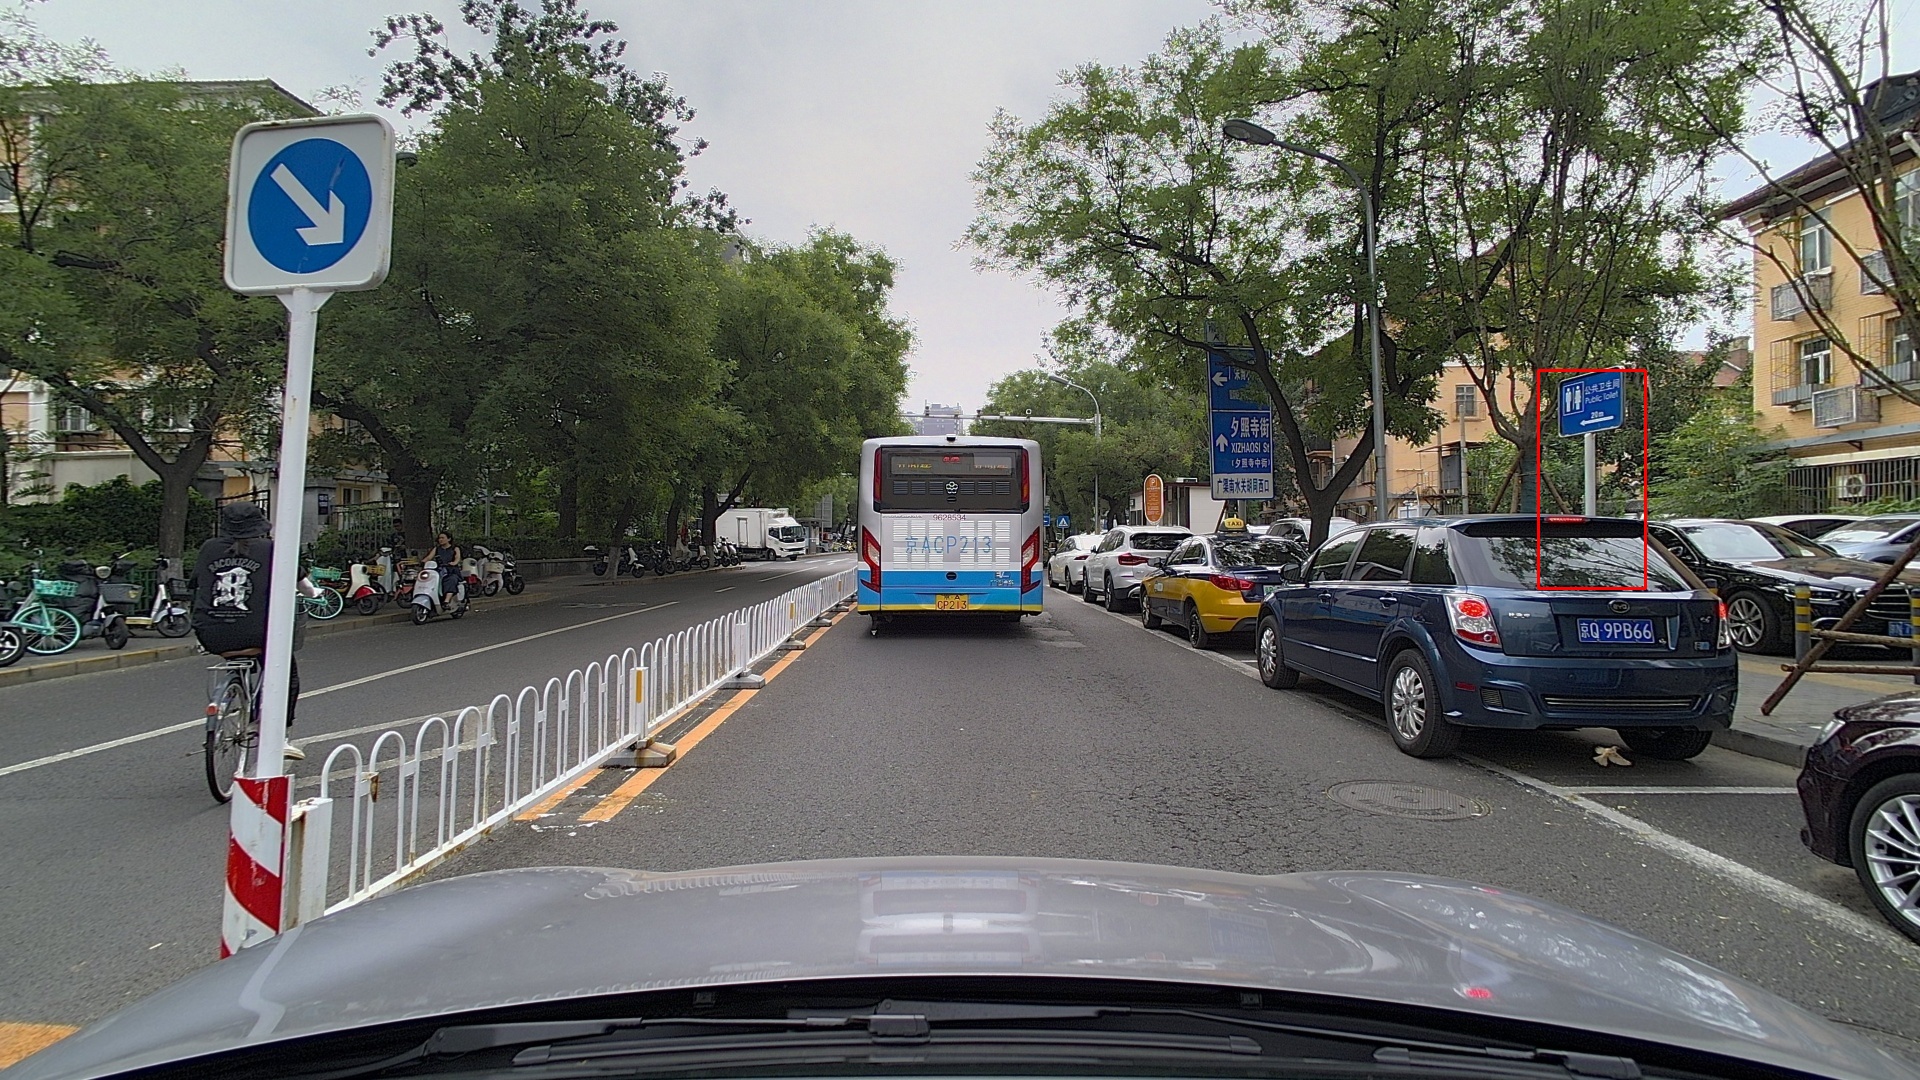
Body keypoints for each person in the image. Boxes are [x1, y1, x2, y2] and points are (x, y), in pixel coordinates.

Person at [190, 502, 303, 761]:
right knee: (285, 673)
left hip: (211, 633)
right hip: (258, 632)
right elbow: (301, 582)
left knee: (236, 649)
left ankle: (230, 697)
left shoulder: (208, 548)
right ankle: (278, 735)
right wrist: (314, 593)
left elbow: (195, 583)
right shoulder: (271, 549)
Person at [431, 531, 462, 602]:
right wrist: (422, 562)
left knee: (451, 580)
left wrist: (454, 563)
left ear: (449, 539)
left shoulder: (455, 548)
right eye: (439, 538)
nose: (440, 540)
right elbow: (429, 557)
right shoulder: (437, 549)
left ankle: (447, 600)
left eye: (442, 538)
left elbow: (457, 557)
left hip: (451, 570)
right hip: (439, 571)